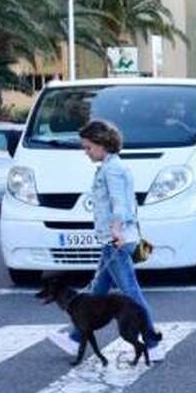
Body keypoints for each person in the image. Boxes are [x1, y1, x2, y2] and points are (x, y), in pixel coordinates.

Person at [48, 120, 164, 361]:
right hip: (114, 238)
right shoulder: (112, 166)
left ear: (102, 144)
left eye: (88, 147)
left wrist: (116, 232)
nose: (86, 152)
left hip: (116, 240)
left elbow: (119, 203)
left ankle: (152, 342)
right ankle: (75, 338)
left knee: (131, 293)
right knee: (97, 290)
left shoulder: (111, 170)